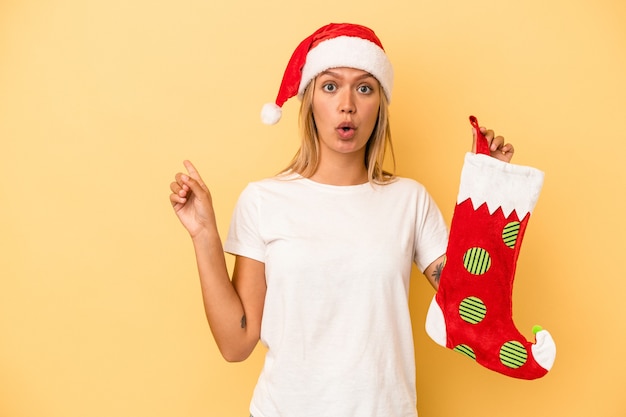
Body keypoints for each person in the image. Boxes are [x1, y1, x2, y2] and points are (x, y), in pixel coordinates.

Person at [169, 23, 514, 417]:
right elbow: (236, 344)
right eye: (330, 86)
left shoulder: (409, 200)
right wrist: (204, 235)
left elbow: (471, 307)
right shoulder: (264, 200)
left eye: (364, 88)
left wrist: (490, 196)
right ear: (309, 99)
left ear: (379, 104)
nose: (346, 104)